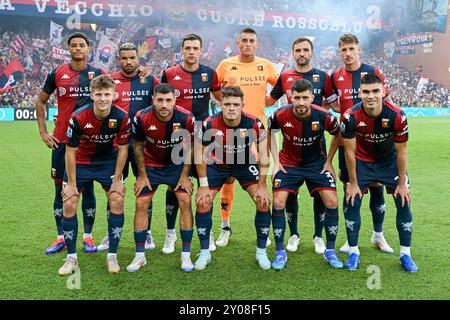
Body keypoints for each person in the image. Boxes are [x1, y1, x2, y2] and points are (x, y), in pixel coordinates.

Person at [266, 37, 340, 254]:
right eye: (298, 50)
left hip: (316, 146)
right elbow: (270, 101)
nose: (301, 53)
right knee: (287, 195)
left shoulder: (323, 77)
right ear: (292, 52)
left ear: (312, 52)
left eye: (305, 49)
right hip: (290, 148)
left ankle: (319, 236)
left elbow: (334, 104)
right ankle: (294, 235)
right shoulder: (286, 76)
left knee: (322, 195)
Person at [340, 73, 418, 272]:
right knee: (352, 200)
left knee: (403, 200)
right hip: (362, 162)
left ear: (383, 91)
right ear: (360, 93)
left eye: (375, 91)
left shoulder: (397, 115)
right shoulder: (350, 116)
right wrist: (354, 183)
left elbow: (402, 152)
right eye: (366, 91)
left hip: (388, 162)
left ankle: (405, 254)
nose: (371, 96)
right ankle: (354, 252)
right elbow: (349, 151)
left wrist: (401, 184)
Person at [36, 32, 105, 255]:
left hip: (87, 143)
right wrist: (44, 132)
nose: (77, 48)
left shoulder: (98, 74)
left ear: (88, 49)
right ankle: (61, 237)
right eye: (73, 45)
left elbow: (115, 91)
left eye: (81, 45)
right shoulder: (56, 73)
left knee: (87, 189)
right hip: (62, 141)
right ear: (68, 49)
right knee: (60, 190)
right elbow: (41, 101)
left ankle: (87, 236)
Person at [57, 75, 130, 275]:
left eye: (107, 94)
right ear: (92, 95)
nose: (103, 98)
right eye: (99, 94)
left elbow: (123, 150)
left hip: (107, 162)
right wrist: (71, 184)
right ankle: (71, 258)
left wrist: (117, 180)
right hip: (80, 161)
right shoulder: (78, 117)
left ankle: (112, 256)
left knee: (117, 199)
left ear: (114, 95)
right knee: (69, 201)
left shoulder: (122, 117)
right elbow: (70, 151)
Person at [194, 86, 271, 270]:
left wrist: (262, 185)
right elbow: (199, 155)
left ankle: (261, 252)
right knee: (203, 202)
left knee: (263, 201)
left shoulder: (254, 123)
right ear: (221, 104)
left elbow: (265, 156)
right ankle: (205, 252)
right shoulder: (209, 123)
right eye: (227, 104)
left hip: (245, 164)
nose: (231, 108)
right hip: (217, 165)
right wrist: (203, 185)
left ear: (242, 105)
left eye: (235, 104)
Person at [214, 27, 278, 247]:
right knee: (228, 179)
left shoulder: (265, 65)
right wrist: (223, 105)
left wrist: (266, 104)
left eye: (252, 40)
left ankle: (264, 230)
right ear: (237, 42)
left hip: (256, 132)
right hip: (230, 131)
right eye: (244, 40)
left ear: (257, 44)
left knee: (261, 178)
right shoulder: (225, 65)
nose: (248, 43)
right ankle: (225, 225)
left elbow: (279, 88)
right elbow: (214, 88)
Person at [330, 33, 393, 254]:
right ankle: (351, 239)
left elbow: (387, 102)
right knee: (350, 188)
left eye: (351, 49)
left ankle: (378, 235)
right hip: (348, 142)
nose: (347, 54)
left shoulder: (374, 72)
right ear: (340, 52)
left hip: (375, 142)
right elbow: (334, 105)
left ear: (359, 50)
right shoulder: (335, 76)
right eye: (343, 50)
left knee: (377, 188)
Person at [160, 33, 221, 253]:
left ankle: (209, 231)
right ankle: (170, 234)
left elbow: (222, 98)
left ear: (201, 50)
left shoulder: (209, 74)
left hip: (204, 138)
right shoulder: (169, 73)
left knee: (208, 186)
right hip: (177, 138)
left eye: (196, 48)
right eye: (188, 48)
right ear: (182, 50)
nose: (192, 51)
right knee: (173, 185)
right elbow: (159, 101)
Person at [96, 43, 160, 252]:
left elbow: (164, 101)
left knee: (145, 189)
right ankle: (110, 233)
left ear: (138, 58)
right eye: (124, 58)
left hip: (144, 146)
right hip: (116, 146)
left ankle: (147, 232)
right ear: (119, 59)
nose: (128, 62)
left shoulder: (149, 79)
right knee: (114, 189)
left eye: (132, 58)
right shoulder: (111, 80)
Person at [126, 83, 196, 273]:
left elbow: (191, 147)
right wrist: (142, 175)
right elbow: (138, 146)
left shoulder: (186, 118)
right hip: (152, 166)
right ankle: (140, 256)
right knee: (141, 203)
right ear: (153, 100)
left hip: (176, 165)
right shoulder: (141, 117)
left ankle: (186, 255)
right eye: (160, 100)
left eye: (168, 100)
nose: (164, 105)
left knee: (185, 200)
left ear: (174, 100)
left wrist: (184, 175)